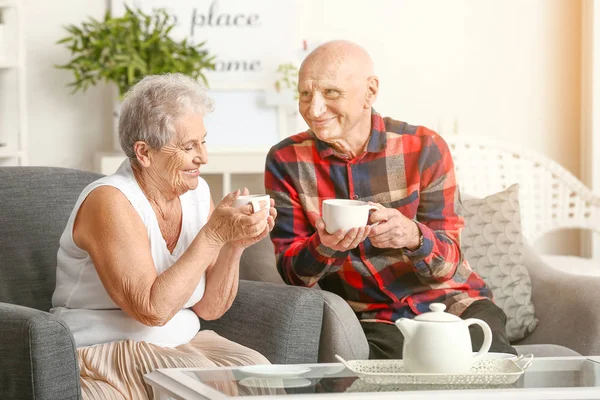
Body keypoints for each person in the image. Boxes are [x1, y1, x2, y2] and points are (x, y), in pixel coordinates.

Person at [264, 40, 516, 359]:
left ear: (370, 92)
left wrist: (413, 237)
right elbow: (293, 275)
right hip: (372, 317)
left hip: (456, 304)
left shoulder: (424, 148)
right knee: (402, 377)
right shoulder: (286, 160)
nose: (313, 110)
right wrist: (325, 244)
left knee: (494, 368)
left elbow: (449, 263)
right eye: (305, 94)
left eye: (330, 93)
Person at [50, 73, 277, 399]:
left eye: (203, 141)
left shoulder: (198, 195)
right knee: (202, 387)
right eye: (189, 146)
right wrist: (214, 234)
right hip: (104, 350)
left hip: (181, 344)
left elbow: (210, 309)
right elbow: (151, 310)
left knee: (259, 376)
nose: (203, 157)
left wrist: (235, 245)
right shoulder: (110, 200)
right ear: (144, 153)